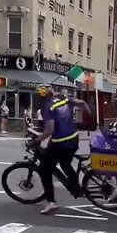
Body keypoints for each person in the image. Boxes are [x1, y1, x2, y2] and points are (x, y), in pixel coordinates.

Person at [32, 83, 91, 215]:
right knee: (64, 162)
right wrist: (90, 117)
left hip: (60, 143)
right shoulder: (65, 99)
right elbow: (81, 103)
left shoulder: (48, 107)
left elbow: (50, 130)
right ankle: (75, 186)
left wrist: (37, 140)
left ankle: (52, 202)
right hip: (73, 140)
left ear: (42, 95)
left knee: (44, 170)